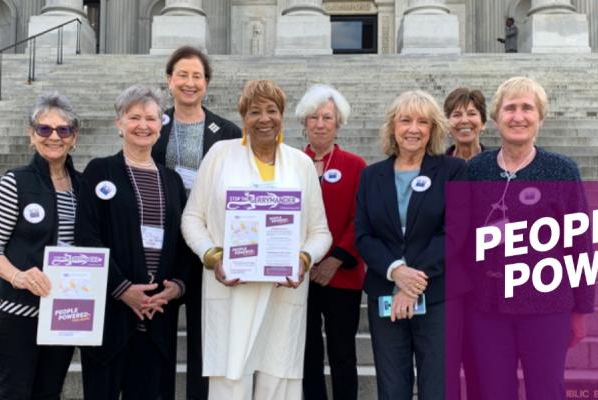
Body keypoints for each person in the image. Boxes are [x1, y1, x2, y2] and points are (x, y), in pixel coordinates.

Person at [181, 79, 332, 400]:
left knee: (279, 381)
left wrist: (304, 259)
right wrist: (213, 256)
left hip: (283, 291)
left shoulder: (301, 164)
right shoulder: (220, 155)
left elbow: (320, 233)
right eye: (254, 112)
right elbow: (192, 219)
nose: (264, 119)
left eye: (271, 110)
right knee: (230, 381)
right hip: (232, 286)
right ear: (243, 118)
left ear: (282, 115)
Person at [464, 76, 594, 399]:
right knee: (494, 391)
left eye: (527, 108)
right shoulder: (475, 170)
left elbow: (581, 245)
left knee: (547, 390)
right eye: (509, 108)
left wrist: (581, 310)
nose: (518, 116)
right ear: (495, 118)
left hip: (547, 308)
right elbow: (461, 241)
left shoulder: (561, 171)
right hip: (487, 309)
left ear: (540, 117)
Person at [76, 84, 191, 399]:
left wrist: (177, 286)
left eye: (151, 118)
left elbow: (183, 241)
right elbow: (87, 237)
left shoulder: (172, 180)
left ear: (161, 126)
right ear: (119, 123)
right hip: (112, 314)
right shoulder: (100, 171)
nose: (143, 125)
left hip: (157, 314)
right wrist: (123, 289)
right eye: (134, 117)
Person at [354, 90, 467, 400]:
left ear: (433, 129)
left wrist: (411, 281)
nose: (413, 129)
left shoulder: (453, 171)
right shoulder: (370, 176)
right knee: (392, 388)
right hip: (385, 293)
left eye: (422, 122)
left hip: (439, 294)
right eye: (405, 120)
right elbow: (363, 235)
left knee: (438, 387)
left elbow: (455, 233)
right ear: (393, 126)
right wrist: (396, 272)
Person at [151, 45, 242, 400]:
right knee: (158, 341)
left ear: (207, 84)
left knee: (207, 344)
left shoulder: (229, 132)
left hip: (210, 245)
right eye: (182, 75)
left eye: (197, 76)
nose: (190, 83)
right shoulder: (152, 125)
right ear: (169, 80)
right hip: (163, 246)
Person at [0, 92, 80, 400]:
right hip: (17, 316)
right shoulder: (16, 182)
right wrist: (18, 276)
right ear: (31, 134)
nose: (54, 137)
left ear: (73, 138)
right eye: (44, 129)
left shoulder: (83, 187)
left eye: (63, 130)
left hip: (63, 316)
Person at [296, 84, 367, 400]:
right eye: (314, 117)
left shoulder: (355, 165)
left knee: (342, 353)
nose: (320, 124)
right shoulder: (292, 162)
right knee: (307, 353)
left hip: (343, 275)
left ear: (338, 123)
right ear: (304, 123)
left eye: (327, 117)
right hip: (300, 275)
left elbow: (361, 218)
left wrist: (335, 260)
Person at [443, 87, 489, 161]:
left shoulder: (496, 164)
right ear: (447, 124)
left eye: (471, 114)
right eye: (457, 115)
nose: (464, 120)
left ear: (483, 123)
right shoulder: (438, 167)